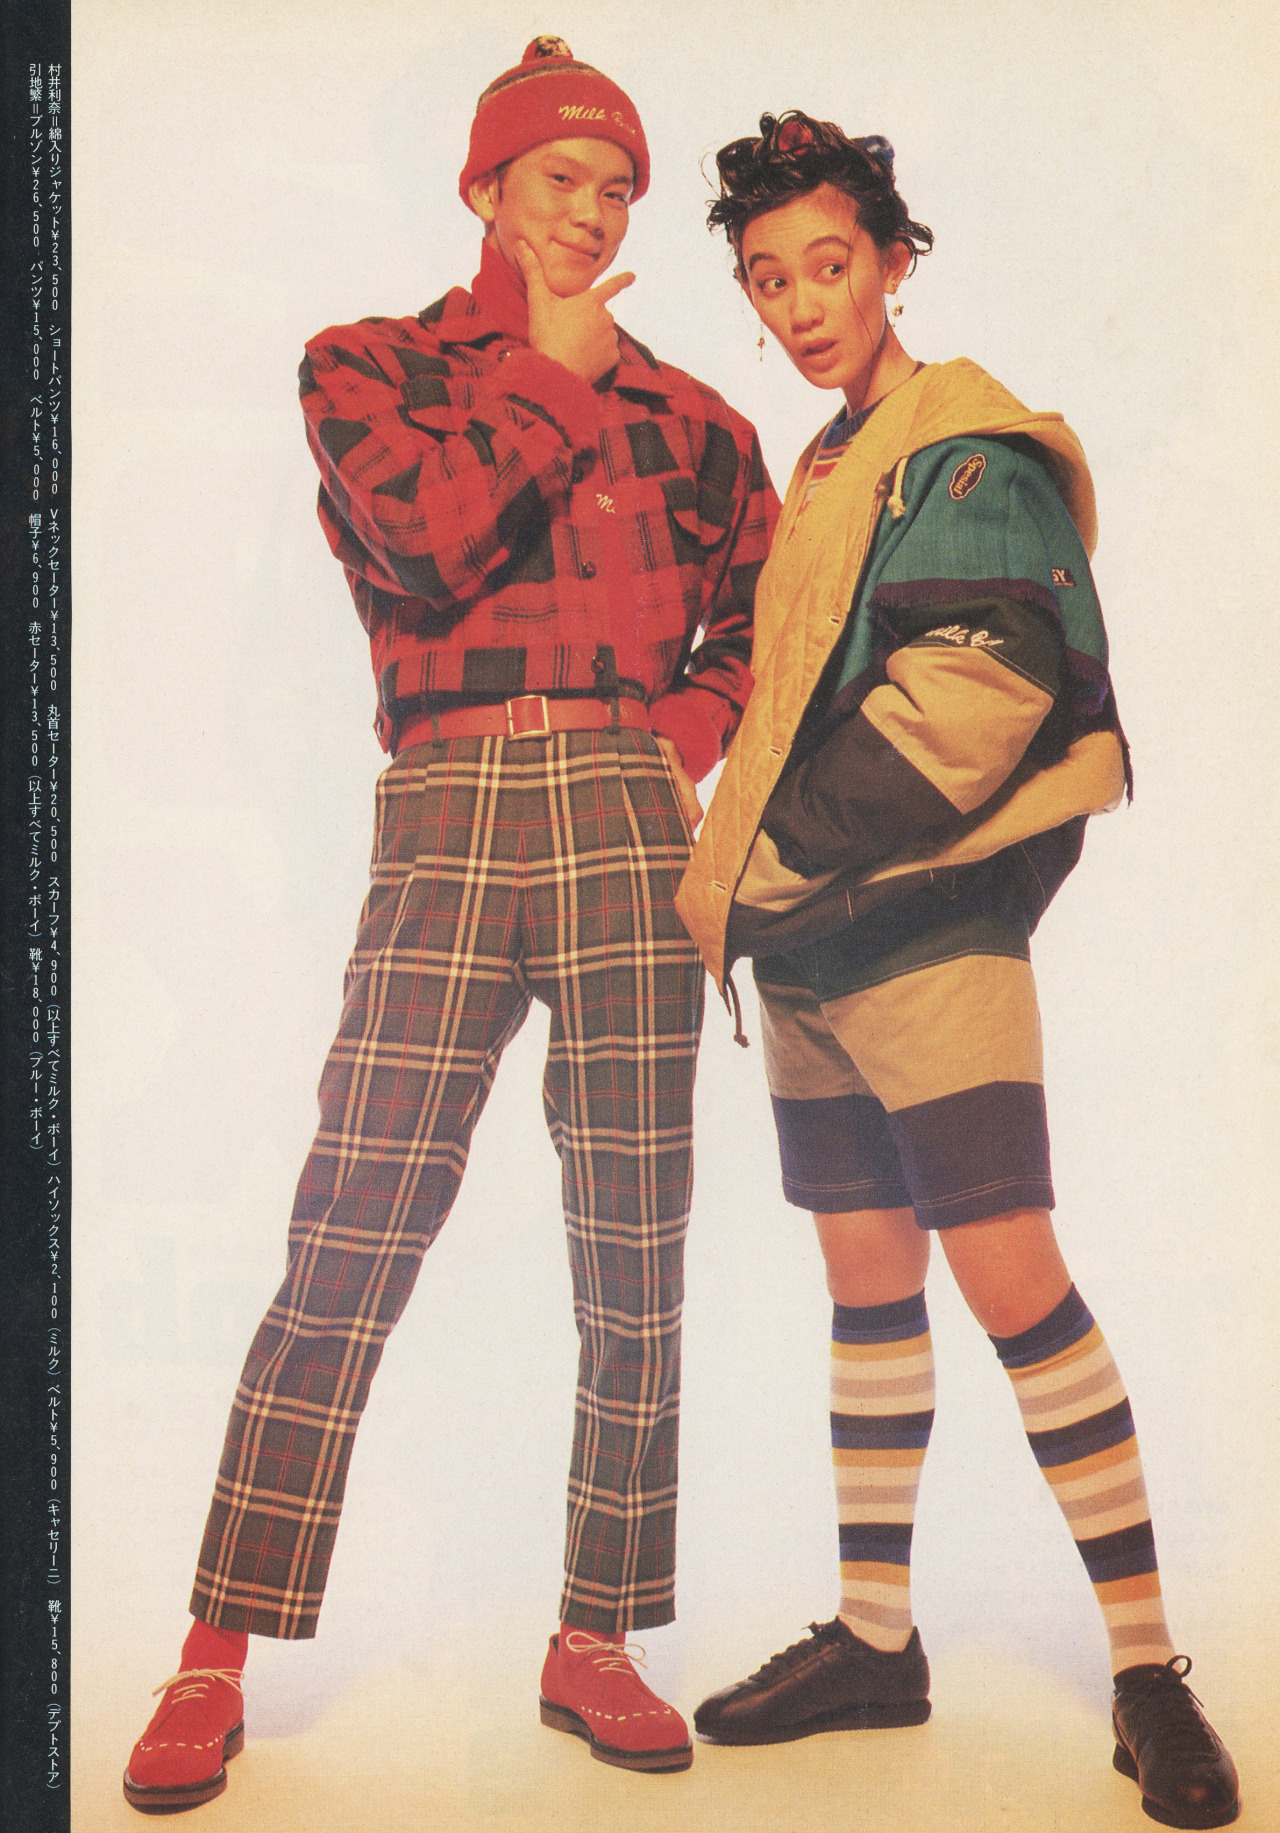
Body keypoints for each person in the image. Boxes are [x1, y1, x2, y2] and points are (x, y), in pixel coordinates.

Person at [122, 38, 776, 1812]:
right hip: (449, 802)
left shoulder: (702, 425)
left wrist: (674, 742)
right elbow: (422, 539)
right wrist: (551, 376)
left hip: (628, 813)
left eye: (617, 189)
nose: (591, 213)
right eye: (558, 179)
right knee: (355, 1217)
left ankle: (597, 1634)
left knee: (636, 1238)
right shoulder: (371, 366)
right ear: (485, 187)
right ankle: (214, 1650)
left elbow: (754, 620)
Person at [676, 111, 1239, 1830]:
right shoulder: (830, 465)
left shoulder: (964, 449)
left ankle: (1147, 1672)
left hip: (922, 937)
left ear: (894, 261)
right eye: (768, 278)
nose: (800, 303)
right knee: (866, 1285)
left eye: (828, 264)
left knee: (1015, 1284)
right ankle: (876, 1638)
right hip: (810, 957)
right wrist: (763, 894)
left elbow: (977, 691)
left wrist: (757, 867)